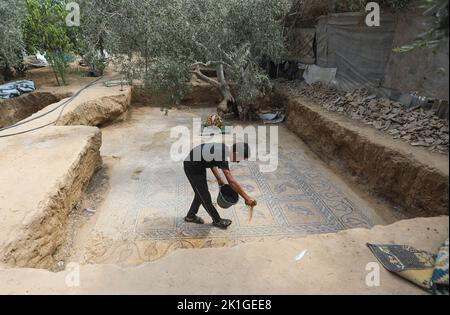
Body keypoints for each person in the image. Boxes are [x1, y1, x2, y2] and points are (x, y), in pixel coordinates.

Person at [183, 142, 257, 229]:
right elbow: (231, 182)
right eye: (239, 159)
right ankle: (217, 220)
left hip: (199, 165)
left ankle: (190, 216)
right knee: (205, 196)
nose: (238, 162)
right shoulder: (222, 155)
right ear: (236, 153)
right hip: (192, 167)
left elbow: (211, 163)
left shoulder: (223, 149)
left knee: (200, 193)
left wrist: (219, 179)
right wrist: (247, 198)